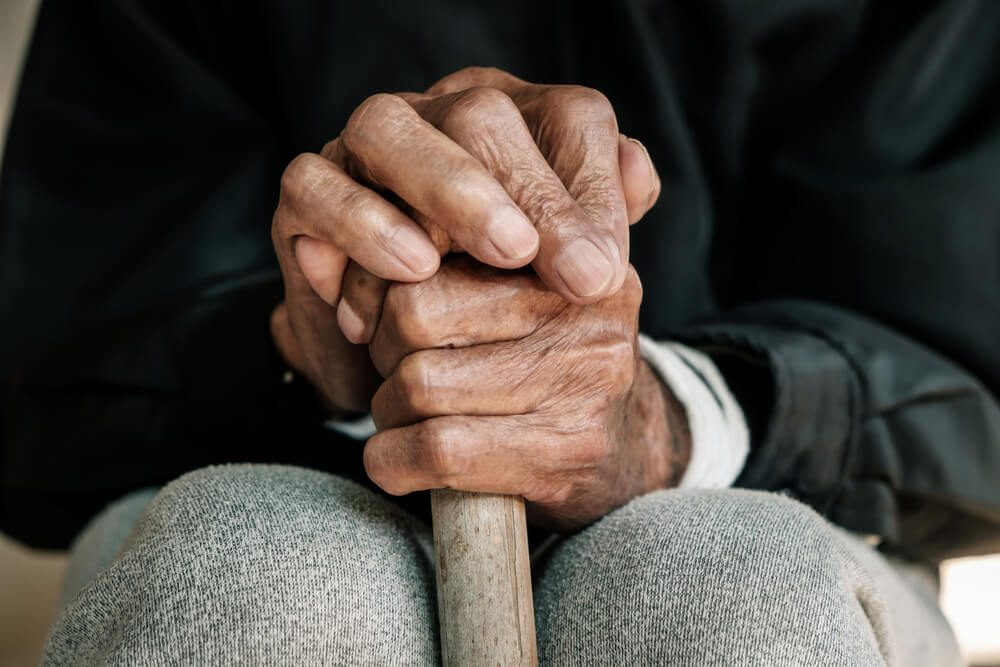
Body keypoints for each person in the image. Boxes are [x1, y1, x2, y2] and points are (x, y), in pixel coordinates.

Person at [1, 0, 998, 664]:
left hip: (777, 490)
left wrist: (662, 418)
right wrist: (300, 350)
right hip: (265, 457)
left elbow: (971, 394)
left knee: (730, 594)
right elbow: (44, 408)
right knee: (248, 578)